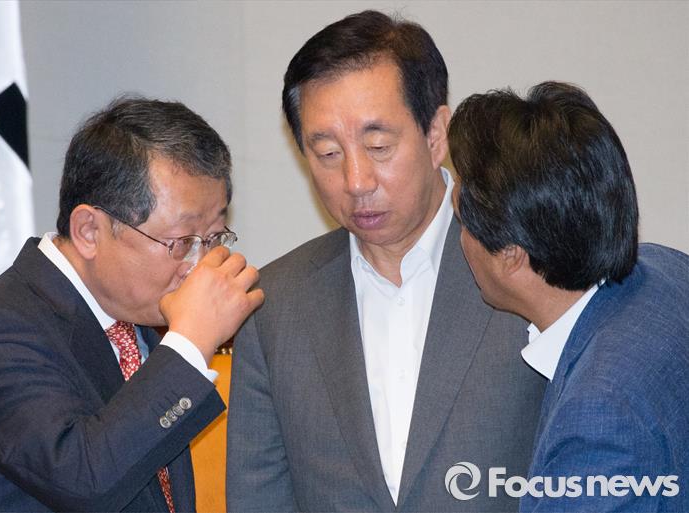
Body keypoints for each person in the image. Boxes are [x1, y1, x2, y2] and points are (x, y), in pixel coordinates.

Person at [226, 10, 546, 512]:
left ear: (436, 134)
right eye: (328, 154)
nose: (356, 181)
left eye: (378, 146)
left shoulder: (529, 267)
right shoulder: (275, 305)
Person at [0, 97, 264, 512]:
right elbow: (82, 481)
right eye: (182, 242)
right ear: (89, 231)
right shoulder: (2, 323)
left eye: (213, 238)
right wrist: (189, 343)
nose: (199, 266)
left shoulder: (138, 315)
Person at [447, 81, 689, 512]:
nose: (459, 240)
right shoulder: (667, 269)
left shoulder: (599, 420)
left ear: (511, 255)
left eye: (462, 223)